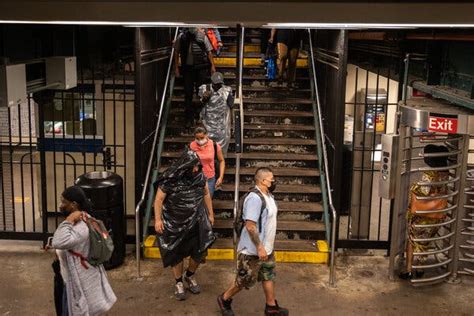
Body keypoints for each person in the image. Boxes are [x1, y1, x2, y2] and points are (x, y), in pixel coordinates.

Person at [217, 167, 289, 316]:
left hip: (267, 249)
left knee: (268, 275)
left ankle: (271, 307)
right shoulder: (254, 199)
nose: (274, 181)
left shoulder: (269, 196)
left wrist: (266, 247)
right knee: (244, 280)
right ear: (262, 181)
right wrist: (260, 247)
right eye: (271, 179)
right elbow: (250, 226)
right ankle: (224, 299)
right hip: (252, 250)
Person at [154, 148, 216, 300]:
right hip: (175, 222)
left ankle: (190, 275)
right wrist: (157, 219)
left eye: (197, 165)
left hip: (196, 220)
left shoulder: (200, 176)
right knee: (176, 253)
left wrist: (210, 213)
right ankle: (178, 282)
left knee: (199, 250)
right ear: (185, 166)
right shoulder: (170, 178)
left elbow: (206, 193)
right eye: (194, 166)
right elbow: (158, 200)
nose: (196, 169)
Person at [51, 186, 117, 316]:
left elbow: (58, 241)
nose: (60, 205)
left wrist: (68, 220)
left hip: (80, 280)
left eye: (64, 202)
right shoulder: (84, 218)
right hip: (69, 279)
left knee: (78, 310)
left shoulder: (81, 227)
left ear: (74, 205)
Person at [399, 144, 450, 280]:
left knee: (412, 239)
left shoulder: (429, 174)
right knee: (425, 241)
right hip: (438, 214)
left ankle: (409, 269)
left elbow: (423, 192)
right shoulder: (446, 173)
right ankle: (420, 268)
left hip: (423, 214)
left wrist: (414, 187)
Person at [174, 27, 217, 127]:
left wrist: (212, 66)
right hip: (187, 69)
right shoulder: (182, 37)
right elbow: (176, 52)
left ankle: (199, 116)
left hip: (200, 68)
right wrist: (176, 67)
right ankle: (189, 118)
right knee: (188, 93)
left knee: (201, 92)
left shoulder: (202, 36)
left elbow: (209, 52)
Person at [199, 72, 234, 156]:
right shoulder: (205, 88)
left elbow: (231, 105)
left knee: (221, 147)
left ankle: (219, 162)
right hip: (208, 121)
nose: (218, 86)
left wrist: (231, 121)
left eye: (219, 84)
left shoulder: (226, 90)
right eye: (216, 84)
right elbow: (200, 104)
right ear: (212, 82)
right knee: (206, 145)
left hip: (221, 123)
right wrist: (204, 98)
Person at [190, 126, 225, 197]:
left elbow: (222, 161)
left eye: (202, 138)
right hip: (196, 178)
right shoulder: (192, 146)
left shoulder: (214, 145)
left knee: (207, 200)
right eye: (197, 138)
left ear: (206, 135)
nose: (200, 140)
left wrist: (220, 177)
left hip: (210, 178)